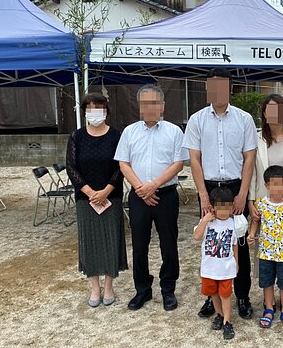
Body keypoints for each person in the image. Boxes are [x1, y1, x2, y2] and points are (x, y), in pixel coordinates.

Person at [183, 68, 257, 320]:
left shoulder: (244, 119)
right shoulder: (197, 120)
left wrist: (243, 192)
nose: (217, 92)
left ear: (231, 88)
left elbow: (250, 157)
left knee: (239, 242)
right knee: (211, 243)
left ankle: (242, 296)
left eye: (222, 86)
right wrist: (202, 194)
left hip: (236, 187)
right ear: (206, 89)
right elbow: (194, 158)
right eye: (212, 86)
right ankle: (211, 296)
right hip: (209, 188)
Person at [114, 85, 189, 312]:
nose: (150, 108)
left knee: (168, 244)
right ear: (139, 107)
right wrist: (140, 188)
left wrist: (154, 186)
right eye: (145, 103)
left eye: (154, 103)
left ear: (162, 106)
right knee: (139, 244)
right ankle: (142, 289)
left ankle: (168, 289)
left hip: (165, 195)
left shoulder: (174, 131)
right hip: (138, 196)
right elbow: (123, 163)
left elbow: (179, 163)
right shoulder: (129, 132)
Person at [66, 93, 127, 307]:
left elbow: (122, 166)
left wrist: (106, 191)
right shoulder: (77, 137)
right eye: (89, 108)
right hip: (86, 199)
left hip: (112, 197)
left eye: (98, 107)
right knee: (89, 241)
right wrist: (90, 191)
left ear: (106, 110)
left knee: (111, 239)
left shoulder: (116, 136)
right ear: (84, 111)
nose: (94, 112)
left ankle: (109, 286)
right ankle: (94, 288)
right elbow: (71, 167)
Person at [248, 165, 283, 328]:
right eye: (274, 184)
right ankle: (269, 308)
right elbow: (256, 221)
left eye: (281, 184)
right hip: (265, 253)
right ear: (266, 185)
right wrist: (251, 234)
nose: (278, 188)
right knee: (267, 282)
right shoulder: (261, 204)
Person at [193, 187, 248, 340]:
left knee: (226, 294)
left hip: (226, 267)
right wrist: (204, 220)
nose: (223, 211)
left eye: (227, 207)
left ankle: (227, 321)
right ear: (213, 206)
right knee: (213, 292)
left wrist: (236, 261)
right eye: (220, 207)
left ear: (231, 207)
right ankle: (219, 314)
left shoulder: (233, 223)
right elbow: (197, 237)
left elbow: (235, 244)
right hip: (209, 268)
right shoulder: (208, 222)